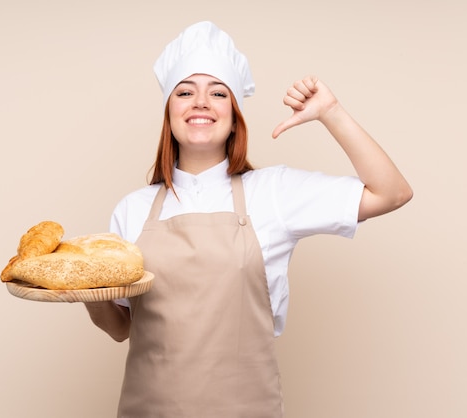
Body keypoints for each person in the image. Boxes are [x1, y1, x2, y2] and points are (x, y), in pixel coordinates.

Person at [84, 21, 412, 417]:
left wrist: (331, 113)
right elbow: (121, 328)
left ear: (234, 114)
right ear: (169, 111)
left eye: (218, 92)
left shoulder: (274, 192)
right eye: (185, 91)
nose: (201, 102)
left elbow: (392, 192)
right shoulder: (133, 209)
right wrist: (85, 288)